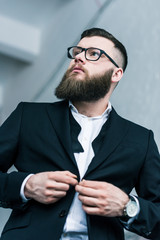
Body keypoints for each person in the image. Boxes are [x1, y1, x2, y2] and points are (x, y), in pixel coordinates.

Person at [0, 27, 160, 240]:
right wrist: (25, 186)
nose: (79, 58)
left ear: (116, 73)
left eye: (93, 54)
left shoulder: (141, 139)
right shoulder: (27, 116)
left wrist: (127, 206)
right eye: (77, 52)